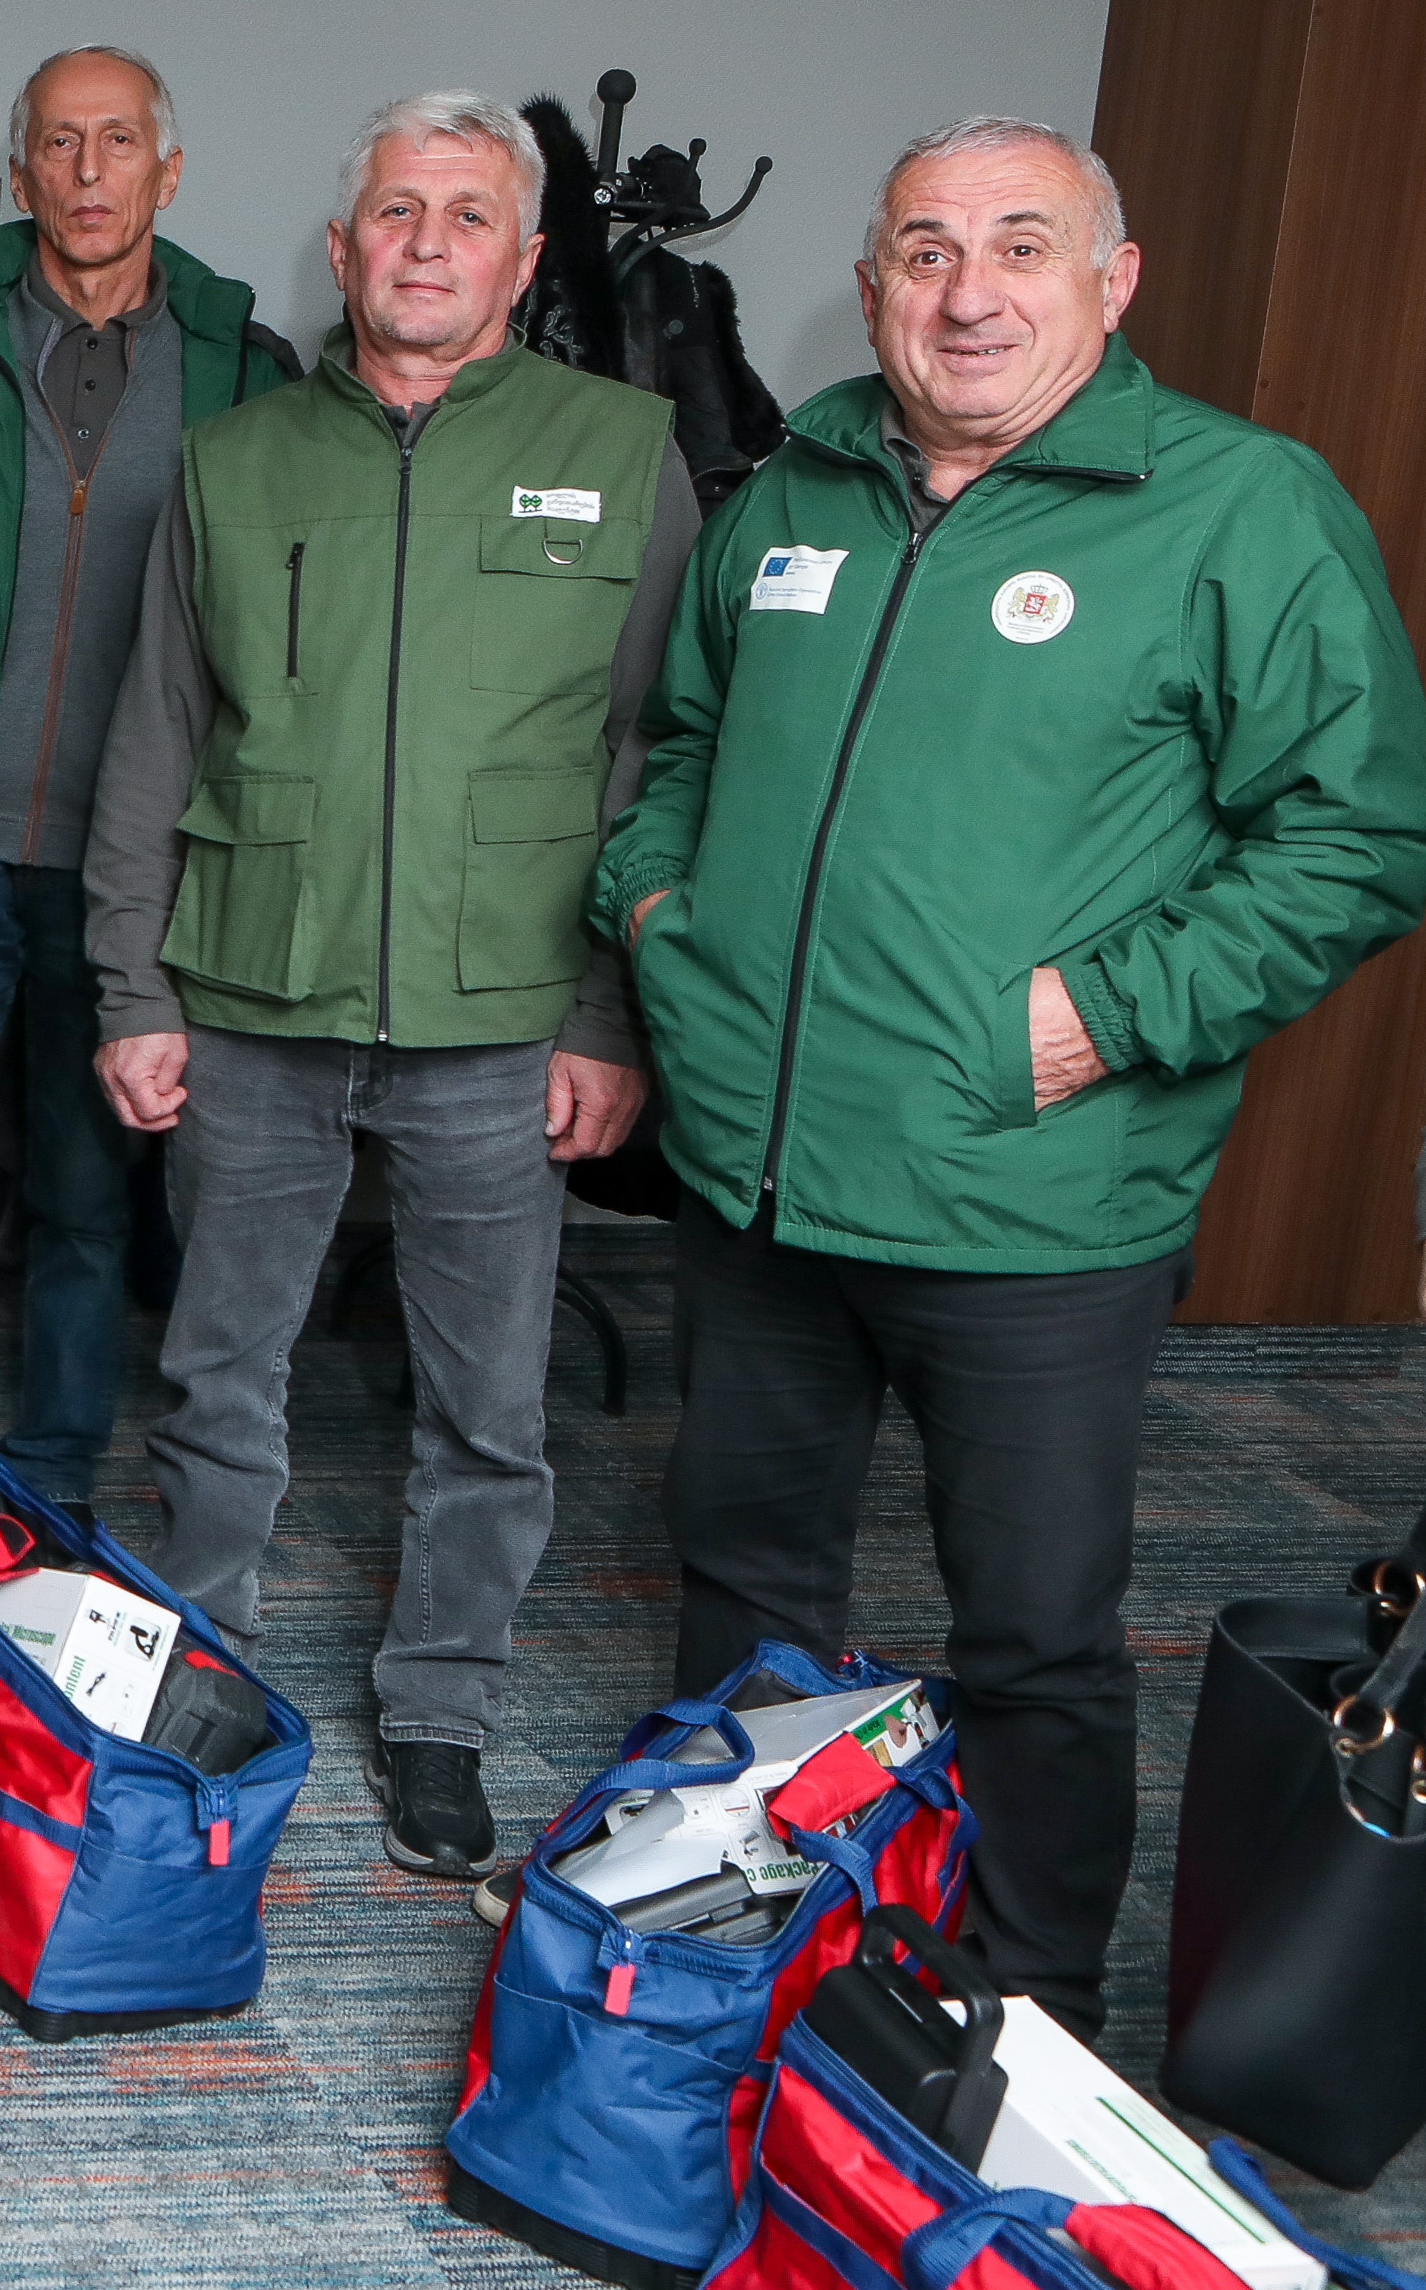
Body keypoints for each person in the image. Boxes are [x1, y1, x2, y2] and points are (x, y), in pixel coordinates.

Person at [604, 116, 1426, 2038]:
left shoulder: (1239, 509)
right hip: (758, 1179)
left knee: (1034, 1637)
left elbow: (1358, 838)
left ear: (1110, 281)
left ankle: (1028, 2012)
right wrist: (654, 913)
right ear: (871, 285)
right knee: (742, 1582)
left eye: (1018, 246)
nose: (966, 293)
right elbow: (684, 743)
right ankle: (734, 1933)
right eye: (923, 251)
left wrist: (1090, 1018)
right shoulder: (791, 489)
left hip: (1030, 1202)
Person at [82, 90, 697, 1879]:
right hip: (251, 993)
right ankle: (194, 1670)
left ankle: (439, 1710)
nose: (427, 244)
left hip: (501, 1011)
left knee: (488, 1409)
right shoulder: (236, 459)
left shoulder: (625, 448)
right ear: (342, 246)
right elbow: (154, 737)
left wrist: (606, 1016)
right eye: (397, 212)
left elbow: (653, 753)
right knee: (216, 1372)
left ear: (522, 257)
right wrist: (131, 988)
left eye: (467, 214)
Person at [0, 46, 298, 1514]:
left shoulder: (241, 370)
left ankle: (55, 1457)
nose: (89, 171)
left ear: (167, 173)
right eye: (59, 142)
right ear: (22, 170)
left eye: (118, 142)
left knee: (86, 1189)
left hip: (133, 866)